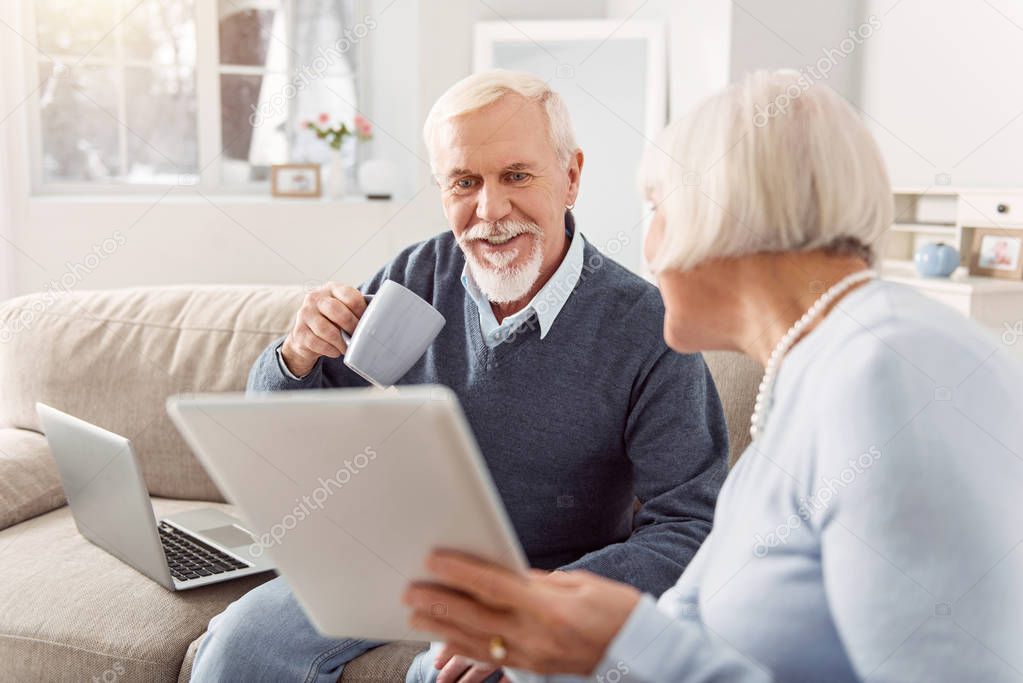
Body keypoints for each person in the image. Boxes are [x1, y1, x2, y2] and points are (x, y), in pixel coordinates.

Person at [403, 70, 1023, 682]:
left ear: (731, 213)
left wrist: (618, 640)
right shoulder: (808, 380)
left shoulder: (890, 368)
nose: (647, 245)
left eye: (657, 206)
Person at [189, 70, 729, 683]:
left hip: (535, 586)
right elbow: (293, 427)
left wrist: (551, 603)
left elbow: (692, 523)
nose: (490, 211)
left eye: (517, 176)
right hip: (390, 563)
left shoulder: (646, 326)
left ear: (571, 176)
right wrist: (295, 357)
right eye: (465, 182)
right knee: (236, 648)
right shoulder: (417, 274)